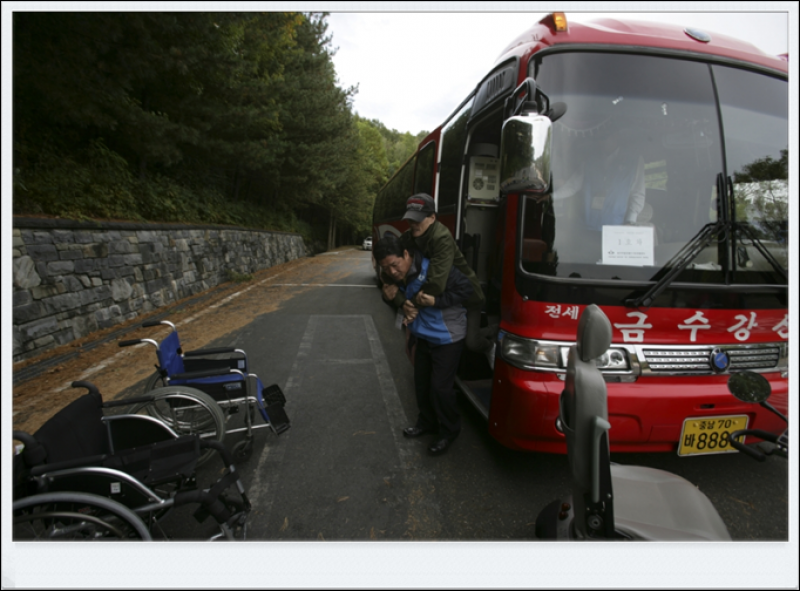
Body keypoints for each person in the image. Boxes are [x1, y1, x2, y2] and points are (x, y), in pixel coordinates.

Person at [375, 235, 473, 456]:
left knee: (440, 388)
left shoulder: (434, 269)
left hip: (447, 336)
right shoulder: (394, 275)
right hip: (423, 335)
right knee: (421, 384)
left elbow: (466, 289)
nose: (392, 271)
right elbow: (392, 295)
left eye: (394, 264)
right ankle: (427, 423)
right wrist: (389, 297)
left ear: (406, 254)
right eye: (386, 268)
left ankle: (449, 431)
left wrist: (437, 301)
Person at [390, 193, 495, 359]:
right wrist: (401, 301)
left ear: (432, 218)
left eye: (418, 219)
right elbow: (388, 263)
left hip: (465, 295)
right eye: (410, 219)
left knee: (472, 342)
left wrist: (409, 305)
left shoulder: (442, 238)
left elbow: (435, 285)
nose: (413, 224)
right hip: (443, 298)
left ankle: (492, 344)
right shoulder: (409, 236)